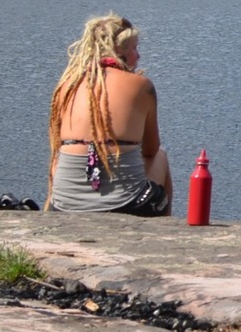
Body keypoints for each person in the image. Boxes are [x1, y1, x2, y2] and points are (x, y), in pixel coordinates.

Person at [44, 14, 171, 216]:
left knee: (61, 155)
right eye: (134, 48)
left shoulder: (66, 85)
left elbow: (57, 149)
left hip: (64, 203)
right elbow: (150, 149)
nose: (138, 56)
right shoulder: (141, 86)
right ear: (120, 50)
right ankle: (163, 233)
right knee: (160, 156)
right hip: (125, 202)